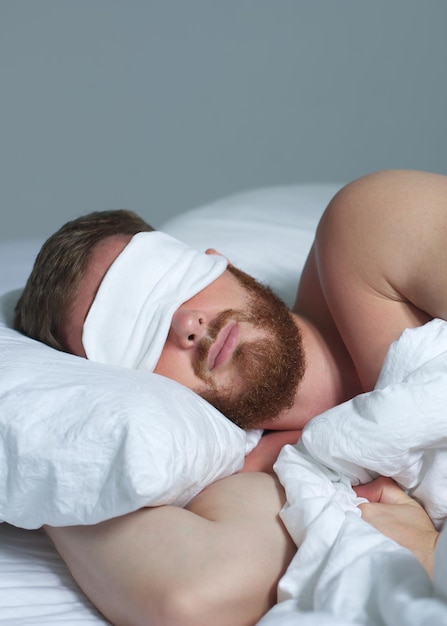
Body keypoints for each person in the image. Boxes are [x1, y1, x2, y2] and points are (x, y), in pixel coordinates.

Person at [14, 169, 446, 625]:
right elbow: (191, 599)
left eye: (170, 281)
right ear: (130, 389)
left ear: (220, 261)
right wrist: (43, 460)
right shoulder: (267, 475)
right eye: (135, 336)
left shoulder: (369, 232)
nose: (187, 323)